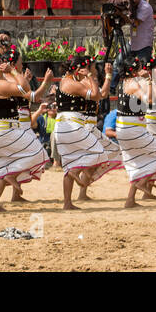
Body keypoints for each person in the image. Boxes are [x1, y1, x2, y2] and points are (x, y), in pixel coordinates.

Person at [0, 50, 49, 211]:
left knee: (0, 168)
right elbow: (24, 88)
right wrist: (13, 71)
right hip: (4, 131)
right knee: (38, 153)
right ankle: (10, 175)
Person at [113, 56, 156, 208]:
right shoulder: (134, 84)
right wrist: (150, 80)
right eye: (139, 68)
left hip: (125, 128)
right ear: (135, 71)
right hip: (134, 129)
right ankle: (142, 182)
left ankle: (130, 200)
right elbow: (150, 100)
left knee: (139, 162)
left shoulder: (123, 82)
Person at [54, 54, 115, 209]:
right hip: (73, 125)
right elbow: (96, 96)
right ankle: (76, 171)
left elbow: (100, 94)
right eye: (89, 67)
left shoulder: (68, 81)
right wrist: (90, 77)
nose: (92, 70)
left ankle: (67, 203)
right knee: (100, 153)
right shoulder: (73, 83)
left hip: (65, 126)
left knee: (70, 163)